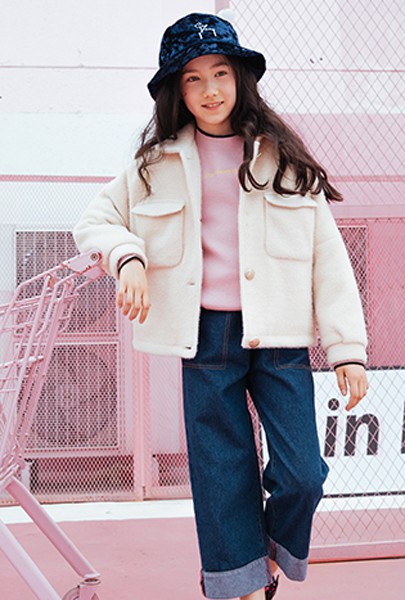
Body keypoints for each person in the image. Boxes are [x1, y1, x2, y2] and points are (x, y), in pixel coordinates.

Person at [74, 12, 369, 600]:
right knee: (221, 475)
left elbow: (328, 258)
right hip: (205, 337)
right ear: (176, 92)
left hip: (280, 338)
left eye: (220, 73)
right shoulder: (154, 165)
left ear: (240, 79)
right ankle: (240, 584)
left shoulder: (283, 159)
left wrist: (348, 349)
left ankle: (266, 551)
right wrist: (128, 259)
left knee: (302, 474)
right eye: (193, 78)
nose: (210, 90)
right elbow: (96, 221)